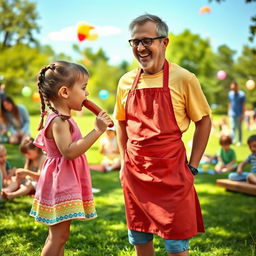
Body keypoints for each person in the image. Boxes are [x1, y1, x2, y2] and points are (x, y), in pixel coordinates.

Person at [114, 14, 212, 256]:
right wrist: (123, 162)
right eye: (134, 42)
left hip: (172, 173)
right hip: (135, 174)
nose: (140, 48)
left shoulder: (185, 79)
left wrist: (194, 166)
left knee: (176, 246)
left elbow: (204, 121)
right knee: (140, 239)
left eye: (146, 41)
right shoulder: (126, 81)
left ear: (164, 42)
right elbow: (121, 123)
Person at [29, 61, 112, 256]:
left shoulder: (64, 119)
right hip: (60, 183)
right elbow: (69, 152)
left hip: (64, 180)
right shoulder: (59, 121)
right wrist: (98, 130)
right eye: (83, 88)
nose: (87, 94)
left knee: (61, 236)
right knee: (57, 237)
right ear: (65, 92)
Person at [228, 81, 246, 146]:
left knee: (239, 128)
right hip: (232, 113)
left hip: (239, 114)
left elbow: (243, 105)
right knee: (232, 127)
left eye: (234, 88)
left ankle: (239, 141)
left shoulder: (242, 94)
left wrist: (243, 114)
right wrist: (229, 111)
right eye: (232, 88)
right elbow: (230, 103)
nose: (233, 89)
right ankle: (233, 140)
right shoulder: (230, 94)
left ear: (236, 86)